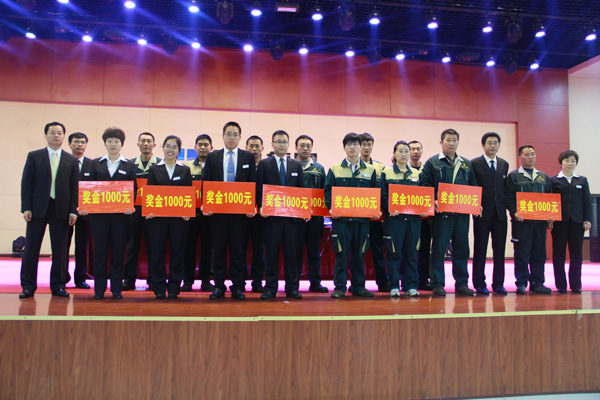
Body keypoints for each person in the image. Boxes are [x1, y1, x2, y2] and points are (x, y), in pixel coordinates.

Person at [19, 122, 79, 298]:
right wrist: (26, 207)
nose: (56, 136)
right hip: (37, 208)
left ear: (64, 136)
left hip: (61, 209)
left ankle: (58, 285)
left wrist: (73, 211)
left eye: (60, 133)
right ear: (46, 135)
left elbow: (75, 188)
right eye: (52, 132)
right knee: (31, 248)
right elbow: (26, 183)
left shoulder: (71, 160)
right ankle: (28, 286)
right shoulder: (34, 156)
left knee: (60, 250)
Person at [203, 121, 257, 300]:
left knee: (238, 251)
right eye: (228, 134)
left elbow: (252, 183)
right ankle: (219, 286)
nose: (231, 137)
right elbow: (206, 182)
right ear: (223, 136)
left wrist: (252, 205)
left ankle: (237, 286)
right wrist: (207, 204)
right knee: (218, 250)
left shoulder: (248, 157)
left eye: (235, 134)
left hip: (240, 214)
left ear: (240, 137)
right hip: (218, 213)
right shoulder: (213, 157)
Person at [81, 127, 136, 299]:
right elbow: (89, 187)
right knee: (100, 253)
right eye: (110, 141)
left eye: (116, 141)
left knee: (118, 252)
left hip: (121, 217)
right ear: (105, 143)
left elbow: (133, 188)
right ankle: (99, 289)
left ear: (122, 144)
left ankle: (117, 289)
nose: (113, 144)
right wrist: (86, 205)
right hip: (99, 217)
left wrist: (130, 205)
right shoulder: (96, 163)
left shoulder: (129, 165)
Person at [421, 129, 478, 296]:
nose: (451, 143)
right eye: (448, 140)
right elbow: (425, 184)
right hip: (442, 215)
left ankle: (462, 284)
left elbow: (473, 186)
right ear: (441, 142)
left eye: (454, 140)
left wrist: (476, 204)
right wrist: (433, 200)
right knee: (439, 249)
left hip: (462, 215)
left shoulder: (466, 164)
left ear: (458, 142)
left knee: (462, 249)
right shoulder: (432, 162)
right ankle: (437, 283)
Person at [324, 133, 378, 299]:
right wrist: (331, 208)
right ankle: (340, 287)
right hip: (341, 221)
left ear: (360, 147)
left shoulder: (370, 170)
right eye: (349, 144)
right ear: (344, 147)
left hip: (362, 221)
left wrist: (375, 210)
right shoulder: (335, 169)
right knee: (341, 254)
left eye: (355, 144)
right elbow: (328, 191)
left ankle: (358, 286)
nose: (352, 147)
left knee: (359, 254)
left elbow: (375, 192)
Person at [257, 130, 305, 300]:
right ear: (272, 144)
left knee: (292, 255)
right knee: (271, 255)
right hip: (271, 219)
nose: (281, 145)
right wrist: (261, 207)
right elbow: (259, 189)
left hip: (292, 220)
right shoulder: (264, 164)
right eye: (278, 142)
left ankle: (292, 288)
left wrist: (303, 210)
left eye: (284, 142)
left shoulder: (296, 165)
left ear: (289, 144)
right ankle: (270, 288)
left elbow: (301, 190)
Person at [146, 135, 192, 299]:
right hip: (157, 220)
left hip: (178, 221)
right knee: (157, 253)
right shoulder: (154, 169)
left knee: (177, 253)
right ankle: (158, 287)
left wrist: (187, 212)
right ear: (163, 148)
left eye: (174, 147)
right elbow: (150, 194)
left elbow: (188, 194)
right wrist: (149, 210)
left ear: (179, 150)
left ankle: (174, 287)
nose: (170, 150)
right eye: (168, 146)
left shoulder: (184, 170)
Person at [381, 141, 427, 297]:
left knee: (412, 254)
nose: (404, 154)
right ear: (394, 153)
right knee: (394, 253)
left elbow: (423, 196)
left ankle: (411, 286)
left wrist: (424, 209)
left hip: (413, 221)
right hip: (394, 221)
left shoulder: (417, 174)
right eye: (400, 151)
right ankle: (394, 285)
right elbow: (383, 195)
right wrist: (389, 207)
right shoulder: (387, 172)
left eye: (406, 151)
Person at [506, 145, 553, 294]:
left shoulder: (543, 176)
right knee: (522, 253)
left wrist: (550, 217)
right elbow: (508, 198)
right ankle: (521, 283)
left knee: (539, 254)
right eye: (527, 154)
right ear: (520, 157)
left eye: (532, 154)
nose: (530, 157)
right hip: (522, 223)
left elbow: (550, 198)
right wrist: (514, 212)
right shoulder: (514, 176)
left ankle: (537, 283)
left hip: (540, 223)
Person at [470, 132, 509, 295]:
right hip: (482, 212)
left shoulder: (504, 164)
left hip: (500, 213)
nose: (493, 145)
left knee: (500, 250)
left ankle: (498, 283)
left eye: (495, 143)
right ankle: (479, 283)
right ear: (483, 145)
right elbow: (472, 186)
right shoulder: (474, 163)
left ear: (499, 145)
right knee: (480, 248)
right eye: (489, 143)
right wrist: (475, 206)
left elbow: (505, 188)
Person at [550, 150, 592, 293]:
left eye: (573, 161)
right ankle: (561, 284)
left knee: (576, 254)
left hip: (577, 222)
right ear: (560, 163)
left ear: (576, 163)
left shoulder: (582, 180)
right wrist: (549, 218)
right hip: (559, 222)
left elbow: (587, 201)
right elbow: (549, 201)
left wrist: (588, 219)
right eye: (567, 161)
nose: (570, 163)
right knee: (559, 253)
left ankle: (576, 284)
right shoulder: (553, 180)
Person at [123, 132, 161, 291]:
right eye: (143, 141)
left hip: (154, 212)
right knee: (132, 246)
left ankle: (153, 280)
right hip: (134, 212)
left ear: (154, 145)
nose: (146, 144)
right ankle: (129, 279)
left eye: (149, 141)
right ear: (138, 144)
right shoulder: (130, 164)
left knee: (154, 246)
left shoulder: (160, 164)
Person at [182, 134, 215, 292]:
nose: (203, 147)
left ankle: (206, 280)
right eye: (200, 144)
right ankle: (187, 280)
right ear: (195, 147)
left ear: (211, 148)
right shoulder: (186, 166)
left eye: (206, 145)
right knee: (188, 247)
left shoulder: (216, 165)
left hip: (210, 214)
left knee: (208, 248)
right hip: (190, 214)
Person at [295, 135, 328, 293]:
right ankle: (293, 283)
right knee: (295, 252)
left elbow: (324, 192)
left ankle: (315, 283)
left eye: (308, 145)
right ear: (296, 148)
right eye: (302, 145)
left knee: (314, 252)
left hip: (315, 218)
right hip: (295, 219)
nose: (305, 148)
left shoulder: (319, 169)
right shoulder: (291, 166)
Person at [359, 132, 389, 292]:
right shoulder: (353, 166)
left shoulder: (380, 167)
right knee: (358, 251)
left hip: (376, 218)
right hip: (358, 217)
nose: (366, 147)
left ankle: (383, 283)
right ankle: (357, 284)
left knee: (378, 251)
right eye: (363, 144)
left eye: (369, 144)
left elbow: (383, 191)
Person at [66, 131, 92, 289]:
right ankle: (62, 276)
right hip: (65, 211)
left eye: (82, 142)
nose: (79, 145)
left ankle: (80, 277)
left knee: (82, 246)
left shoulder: (92, 164)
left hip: (86, 212)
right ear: (69, 144)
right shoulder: (64, 162)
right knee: (63, 245)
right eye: (76, 142)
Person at [408, 140, 433, 291]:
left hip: (425, 218)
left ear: (422, 151)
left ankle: (423, 279)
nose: (416, 152)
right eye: (412, 149)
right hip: (407, 218)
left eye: (418, 149)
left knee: (424, 249)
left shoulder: (427, 170)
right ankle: (407, 280)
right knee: (408, 249)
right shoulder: (401, 170)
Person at [245, 135, 266, 293]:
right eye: (251, 146)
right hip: (243, 214)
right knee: (240, 249)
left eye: (257, 146)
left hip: (262, 216)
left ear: (262, 148)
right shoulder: (242, 165)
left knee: (259, 250)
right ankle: (240, 281)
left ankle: (257, 282)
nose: (254, 149)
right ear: (246, 148)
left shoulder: (266, 166)